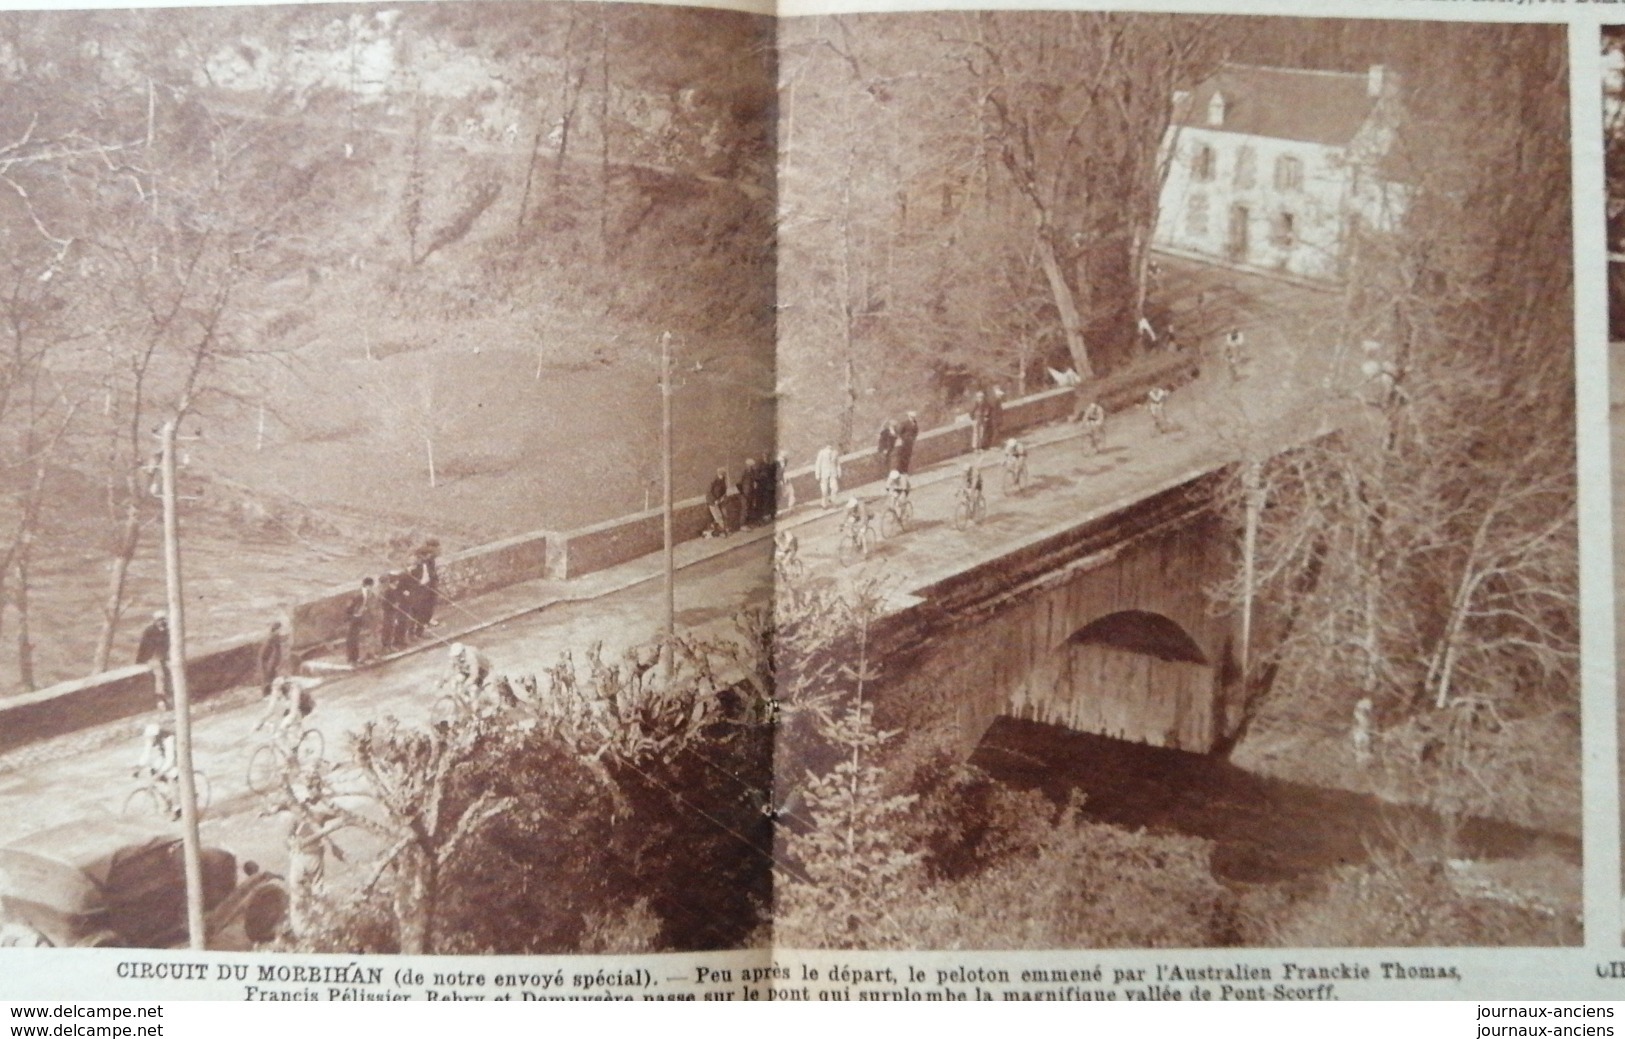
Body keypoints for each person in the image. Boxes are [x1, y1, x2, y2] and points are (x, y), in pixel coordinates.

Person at [133, 722, 180, 819]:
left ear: (156, 736)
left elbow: (170, 759)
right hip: (164, 756)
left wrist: (161, 773)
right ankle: (167, 798)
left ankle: (177, 808)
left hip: (177, 758)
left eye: (152, 739)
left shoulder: (169, 739)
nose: (150, 741)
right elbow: (147, 752)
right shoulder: (152, 738)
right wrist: (139, 767)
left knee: (171, 776)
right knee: (153, 770)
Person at [135, 610, 171, 711]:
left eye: (164, 619)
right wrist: (139, 661)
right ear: (155, 621)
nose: (162, 622)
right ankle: (160, 699)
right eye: (159, 620)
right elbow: (143, 646)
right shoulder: (149, 631)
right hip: (152, 657)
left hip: (163, 657)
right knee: (160, 675)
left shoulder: (167, 631)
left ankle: (169, 697)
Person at [407, 541, 440, 639]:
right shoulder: (414, 568)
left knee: (426, 609)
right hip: (418, 593)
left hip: (428, 588)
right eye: (428, 555)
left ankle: (421, 629)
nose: (430, 556)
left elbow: (432, 574)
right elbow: (412, 582)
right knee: (416, 613)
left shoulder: (428, 562)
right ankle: (413, 633)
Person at [344, 577, 379, 667]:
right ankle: (352, 659)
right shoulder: (357, 594)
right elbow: (348, 608)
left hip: (362, 617)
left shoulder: (370, 594)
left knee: (362, 637)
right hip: (354, 618)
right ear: (367, 586)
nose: (371, 588)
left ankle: (361, 656)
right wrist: (352, 616)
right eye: (370, 586)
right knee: (352, 639)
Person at [258, 621, 284, 699]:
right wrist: (270, 663)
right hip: (268, 661)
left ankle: (271, 693)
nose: (280, 630)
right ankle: (267, 694)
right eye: (279, 629)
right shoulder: (272, 638)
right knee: (268, 677)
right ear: (276, 629)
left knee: (272, 676)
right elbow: (265, 653)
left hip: (272, 661)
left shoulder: (275, 637)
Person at [706, 467, 731, 536]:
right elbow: (709, 492)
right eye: (721, 474)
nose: (722, 476)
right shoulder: (714, 481)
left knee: (725, 514)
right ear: (718, 474)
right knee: (718, 517)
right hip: (712, 501)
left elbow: (724, 491)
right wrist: (714, 500)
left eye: (723, 474)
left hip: (720, 500)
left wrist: (723, 497)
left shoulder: (723, 480)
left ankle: (724, 529)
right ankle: (723, 531)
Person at [814, 445, 841, 510]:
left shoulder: (835, 453)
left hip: (833, 473)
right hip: (824, 474)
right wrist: (817, 474)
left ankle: (834, 501)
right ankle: (824, 504)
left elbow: (837, 464)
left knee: (835, 488)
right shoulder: (822, 453)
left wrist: (839, 472)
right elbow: (818, 464)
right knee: (824, 490)